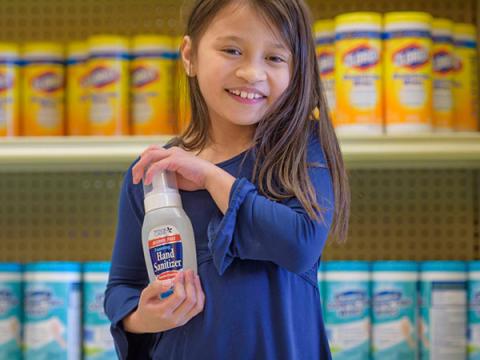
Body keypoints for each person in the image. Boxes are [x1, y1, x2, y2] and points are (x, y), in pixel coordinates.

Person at [104, 0, 350, 358]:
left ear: (298, 69)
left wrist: (210, 178)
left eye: (275, 58)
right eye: (232, 50)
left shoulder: (301, 153)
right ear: (189, 55)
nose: (251, 73)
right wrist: (143, 317)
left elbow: (300, 243)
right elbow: (121, 287)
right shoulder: (156, 173)